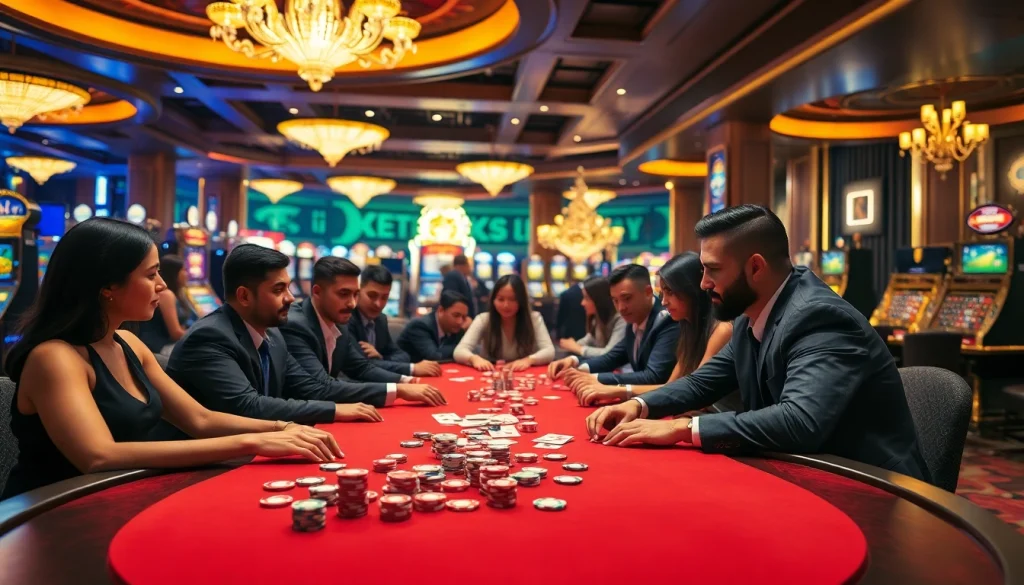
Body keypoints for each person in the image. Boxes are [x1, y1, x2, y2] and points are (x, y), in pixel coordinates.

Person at [585, 205, 930, 482]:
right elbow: (704, 381)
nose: (703, 284)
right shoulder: (754, 315)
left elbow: (800, 421)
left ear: (755, 268)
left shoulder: (819, 317)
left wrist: (682, 427)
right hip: (805, 472)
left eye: (713, 270)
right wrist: (640, 405)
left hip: (872, 490)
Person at [1, 219, 341, 499]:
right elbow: (98, 455)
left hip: (124, 493)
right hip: (53, 514)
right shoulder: (55, 358)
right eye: (151, 276)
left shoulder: (129, 344)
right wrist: (253, 442)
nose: (163, 287)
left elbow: (200, 419)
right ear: (108, 287)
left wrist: (284, 428)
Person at [167, 245, 385, 425]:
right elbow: (248, 406)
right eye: (278, 290)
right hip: (199, 467)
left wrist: (343, 407)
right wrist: (335, 411)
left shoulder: (273, 335)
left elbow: (310, 388)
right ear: (244, 296)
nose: (290, 298)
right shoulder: (210, 336)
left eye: (289, 288)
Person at [279, 256, 445, 406]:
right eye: (343, 294)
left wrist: (409, 381)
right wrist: (397, 390)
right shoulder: (295, 325)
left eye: (355, 294)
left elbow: (361, 368)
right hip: (296, 422)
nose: (352, 303)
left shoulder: (340, 322)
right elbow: (322, 387)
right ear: (317, 292)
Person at [570, 253, 733, 405]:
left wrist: (616, 390)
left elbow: (696, 392)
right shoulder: (688, 327)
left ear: (692, 290)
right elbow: (671, 386)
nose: (664, 302)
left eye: (670, 292)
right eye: (662, 294)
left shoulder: (720, 329)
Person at [547, 264, 680, 386]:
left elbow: (653, 376)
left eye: (627, 298)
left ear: (647, 292)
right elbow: (613, 357)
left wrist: (595, 378)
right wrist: (574, 363)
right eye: (615, 301)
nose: (621, 308)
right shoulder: (634, 318)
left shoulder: (666, 320)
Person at [347, 265, 441, 378]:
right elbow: (361, 366)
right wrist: (412, 369)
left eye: (384, 297)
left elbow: (403, 355)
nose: (379, 304)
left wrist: (381, 356)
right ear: (358, 292)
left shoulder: (381, 319)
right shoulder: (347, 318)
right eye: (372, 296)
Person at [453, 274, 555, 371]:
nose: (506, 305)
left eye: (512, 299)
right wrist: (474, 358)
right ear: (493, 300)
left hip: (523, 373)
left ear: (521, 301)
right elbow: (459, 351)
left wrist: (528, 360)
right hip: (491, 373)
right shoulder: (483, 319)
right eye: (500, 299)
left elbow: (549, 351)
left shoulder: (534, 319)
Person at [136, 254, 196, 356]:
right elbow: (175, 333)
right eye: (184, 270)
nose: (187, 274)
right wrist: (202, 337)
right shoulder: (166, 294)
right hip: (160, 347)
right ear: (174, 273)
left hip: (169, 345)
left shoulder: (178, 294)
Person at [557, 276, 625, 359]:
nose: (582, 303)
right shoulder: (598, 318)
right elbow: (590, 339)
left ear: (599, 299)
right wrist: (573, 344)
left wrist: (577, 348)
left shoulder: (621, 319)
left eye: (586, 298)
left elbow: (610, 354)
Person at [397, 290, 469, 363]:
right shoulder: (420, 326)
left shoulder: (455, 329)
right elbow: (434, 356)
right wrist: (462, 349)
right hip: (404, 371)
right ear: (441, 310)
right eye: (456, 315)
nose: (460, 322)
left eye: (464, 317)